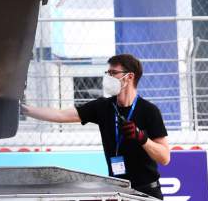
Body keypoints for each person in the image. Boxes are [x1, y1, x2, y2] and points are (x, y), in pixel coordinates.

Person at [21, 53, 170, 198]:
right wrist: (24, 110)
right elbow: (61, 115)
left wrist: (142, 138)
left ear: (130, 77)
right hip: (119, 192)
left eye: (113, 73)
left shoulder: (149, 111)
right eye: (107, 72)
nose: (108, 77)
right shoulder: (103, 106)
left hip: (147, 193)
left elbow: (164, 158)